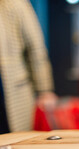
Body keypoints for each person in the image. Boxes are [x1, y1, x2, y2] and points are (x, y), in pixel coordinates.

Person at [0, 0, 57, 134]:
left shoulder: (15, 3)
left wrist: (45, 90)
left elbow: (36, 49)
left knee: (16, 140)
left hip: (11, 90)